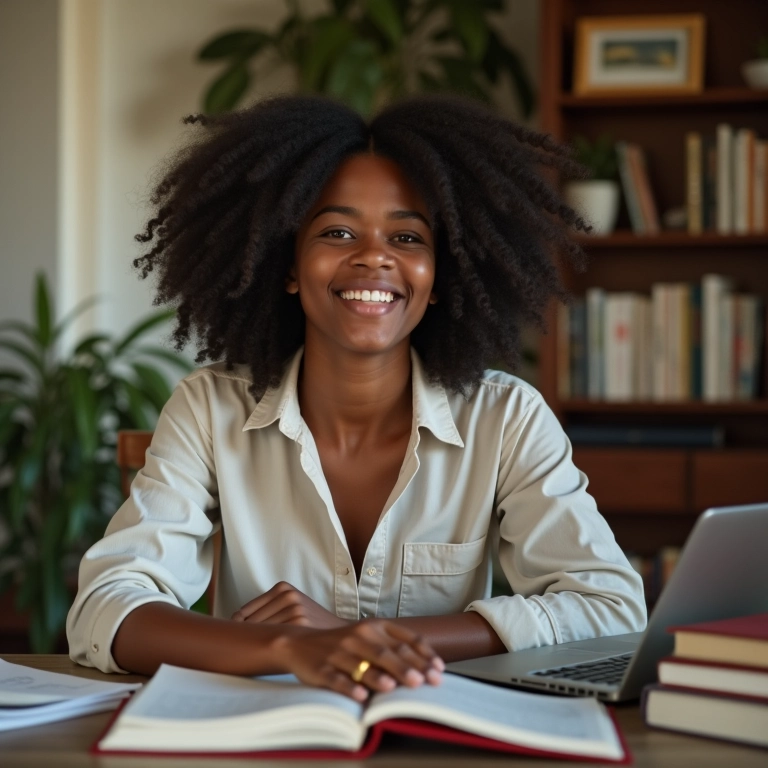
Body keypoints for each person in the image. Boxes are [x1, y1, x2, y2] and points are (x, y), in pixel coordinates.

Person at [67, 94, 646, 702]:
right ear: (287, 266)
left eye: (406, 236)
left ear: (440, 276)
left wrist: (363, 637)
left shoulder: (506, 418)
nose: (374, 255)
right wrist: (290, 648)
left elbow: (611, 608)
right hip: (261, 732)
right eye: (337, 231)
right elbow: (106, 609)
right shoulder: (209, 410)